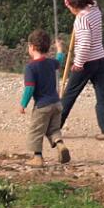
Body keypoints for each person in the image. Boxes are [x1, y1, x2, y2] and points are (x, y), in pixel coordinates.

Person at [60, 0, 104, 140]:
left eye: (68, 4)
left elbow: (85, 44)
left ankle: (53, 128)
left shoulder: (82, 19)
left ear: (73, 5)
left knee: (69, 94)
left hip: (86, 62)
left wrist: (78, 63)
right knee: (102, 94)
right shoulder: (94, 11)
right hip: (100, 61)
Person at [19, 29, 69, 167]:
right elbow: (59, 60)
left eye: (29, 45)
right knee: (53, 130)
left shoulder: (31, 67)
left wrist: (23, 104)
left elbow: (29, 88)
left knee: (36, 131)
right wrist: (60, 49)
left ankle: (38, 158)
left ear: (33, 47)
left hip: (42, 106)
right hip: (56, 104)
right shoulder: (51, 63)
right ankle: (60, 144)